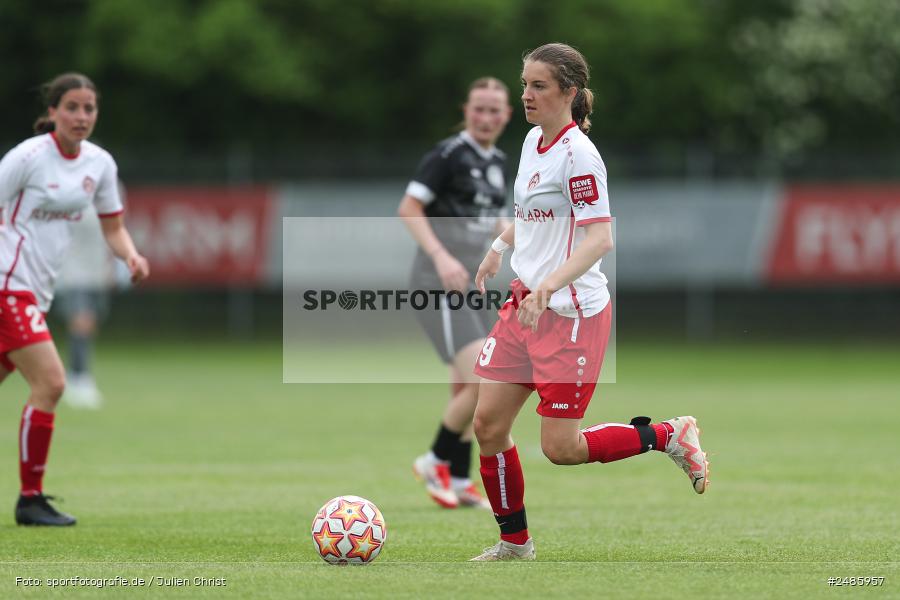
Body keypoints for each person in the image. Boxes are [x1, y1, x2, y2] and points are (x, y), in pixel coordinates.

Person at [468, 43, 710, 561]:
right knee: (487, 426)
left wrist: (549, 286)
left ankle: (668, 435)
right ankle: (515, 544)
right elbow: (531, 213)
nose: (526, 95)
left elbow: (600, 238)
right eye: (525, 83)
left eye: (538, 86)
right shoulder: (534, 141)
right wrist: (497, 249)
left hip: (569, 315)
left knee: (561, 448)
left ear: (569, 93)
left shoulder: (580, 155)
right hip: (524, 306)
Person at [0, 73, 150, 526]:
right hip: (8, 284)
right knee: (51, 384)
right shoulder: (27, 158)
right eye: (72, 107)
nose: (81, 116)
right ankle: (30, 499)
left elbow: (112, 227)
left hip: (36, 290)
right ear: (52, 112)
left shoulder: (100, 164)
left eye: (89, 108)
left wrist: (131, 255)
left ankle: (31, 498)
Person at [398, 77, 512, 509]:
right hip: (438, 283)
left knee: (471, 383)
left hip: (473, 284)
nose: (485, 117)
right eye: (478, 109)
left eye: (494, 110)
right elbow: (408, 208)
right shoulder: (448, 155)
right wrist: (442, 256)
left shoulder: (499, 161)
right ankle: (435, 459)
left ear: (505, 116)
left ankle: (461, 478)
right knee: (487, 379)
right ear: (466, 111)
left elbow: (495, 220)